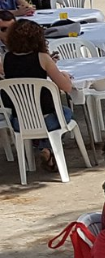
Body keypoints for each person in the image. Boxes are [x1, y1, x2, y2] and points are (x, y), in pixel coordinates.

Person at [1, 17, 75, 168]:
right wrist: (65, 75)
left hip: (19, 121)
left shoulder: (7, 58)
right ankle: (46, 147)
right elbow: (66, 87)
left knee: (54, 116)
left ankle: (44, 147)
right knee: (66, 113)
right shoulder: (43, 58)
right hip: (45, 118)